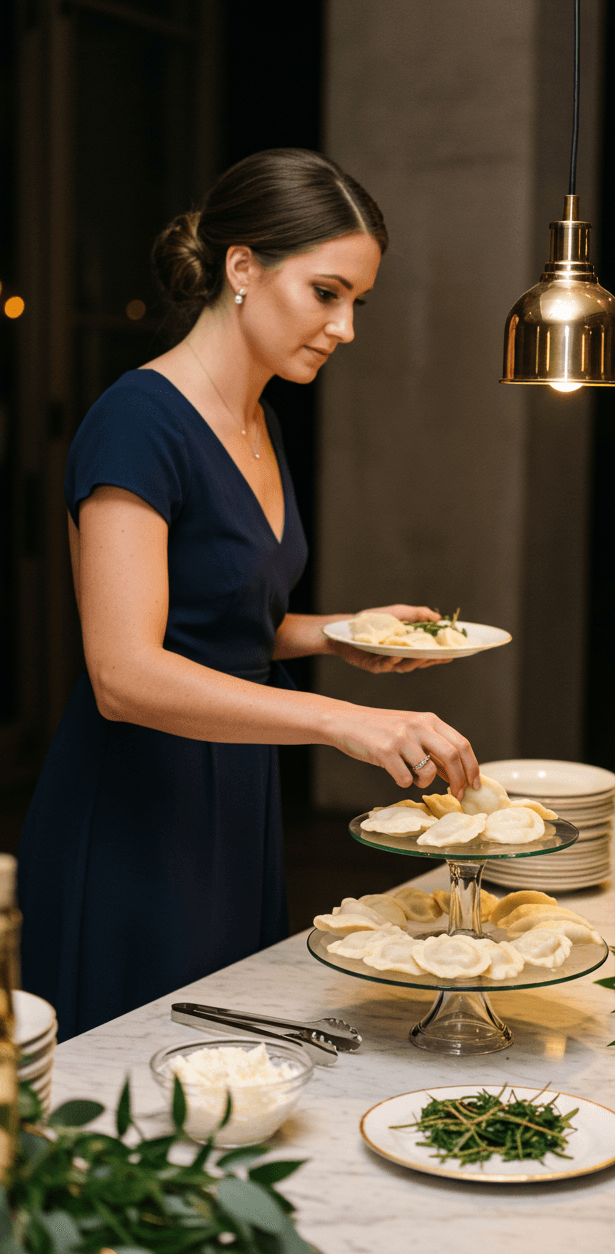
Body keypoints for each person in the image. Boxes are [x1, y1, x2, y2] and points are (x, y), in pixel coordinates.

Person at [16, 148, 479, 1041]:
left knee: (228, 1073)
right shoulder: (137, 422)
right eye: (327, 292)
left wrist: (332, 635)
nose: (346, 327)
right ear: (242, 269)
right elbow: (123, 671)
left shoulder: (257, 417)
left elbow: (215, 623)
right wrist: (349, 722)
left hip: (234, 790)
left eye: (359, 303)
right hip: (137, 809)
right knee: (135, 1096)